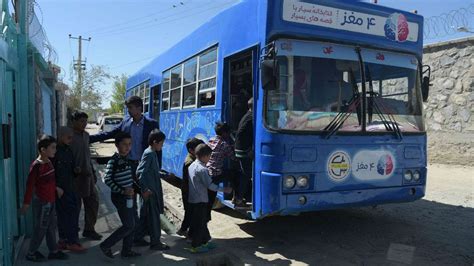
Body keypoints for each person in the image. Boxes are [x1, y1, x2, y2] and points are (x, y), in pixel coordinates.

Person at [20, 135, 69, 262]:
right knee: (41, 228)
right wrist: (26, 203)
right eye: (52, 148)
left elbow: (49, 182)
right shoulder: (37, 166)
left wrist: (56, 189)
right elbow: (30, 186)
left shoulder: (49, 162)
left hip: (51, 201)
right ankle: (31, 253)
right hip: (43, 203)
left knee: (51, 226)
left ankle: (53, 251)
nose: (55, 150)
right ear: (43, 149)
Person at [90, 96, 160, 173]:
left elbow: (157, 146)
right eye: (127, 108)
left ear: (139, 108)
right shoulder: (125, 122)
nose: (128, 110)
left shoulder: (152, 124)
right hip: (127, 165)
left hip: (144, 166)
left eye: (130, 107)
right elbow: (109, 134)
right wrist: (88, 138)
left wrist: (158, 167)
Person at [100, 132, 141, 259]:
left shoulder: (127, 160)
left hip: (130, 196)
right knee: (129, 225)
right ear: (117, 145)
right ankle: (106, 245)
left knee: (133, 223)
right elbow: (107, 179)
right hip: (121, 197)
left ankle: (127, 250)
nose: (127, 147)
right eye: (124, 144)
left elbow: (130, 179)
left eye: (129, 144)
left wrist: (136, 189)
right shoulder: (114, 161)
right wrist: (122, 191)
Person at [187, 144, 232, 253]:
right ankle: (196, 246)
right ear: (204, 156)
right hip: (201, 200)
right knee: (200, 223)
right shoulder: (202, 169)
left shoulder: (192, 165)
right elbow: (210, 185)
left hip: (193, 199)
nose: (210, 159)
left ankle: (206, 241)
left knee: (201, 221)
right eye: (209, 156)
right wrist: (224, 190)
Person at [134, 129, 170, 251]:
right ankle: (155, 243)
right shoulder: (149, 153)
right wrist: (145, 190)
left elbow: (150, 171)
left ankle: (138, 238)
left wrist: (162, 174)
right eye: (161, 143)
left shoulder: (152, 152)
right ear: (155, 142)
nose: (162, 145)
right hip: (150, 192)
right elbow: (140, 172)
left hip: (150, 191)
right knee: (154, 218)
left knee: (144, 216)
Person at [70, 111, 102, 240]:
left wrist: (93, 172)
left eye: (85, 121)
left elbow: (88, 156)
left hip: (88, 176)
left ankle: (89, 229)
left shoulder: (86, 136)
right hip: (74, 177)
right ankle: (72, 232)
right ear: (73, 121)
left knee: (93, 202)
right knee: (75, 206)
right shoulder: (68, 136)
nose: (84, 124)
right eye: (81, 121)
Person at [54, 127, 86, 252]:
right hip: (61, 190)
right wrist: (56, 187)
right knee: (67, 217)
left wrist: (76, 171)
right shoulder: (55, 151)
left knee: (71, 215)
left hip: (71, 188)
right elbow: (50, 172)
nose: (71, 140)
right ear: (61, 136)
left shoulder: (68, 150)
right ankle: (72, 242)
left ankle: (64, 240)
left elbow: (72, 169)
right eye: (69, 137)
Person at [206, 122, 236, 220]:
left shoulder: (210, 139)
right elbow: (234, 158)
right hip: (216, 173)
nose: (228, 135)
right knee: (235, 175)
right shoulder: (224, 144)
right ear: (224, 133)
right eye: (228, 133)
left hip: (207, 171)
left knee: (209, 196)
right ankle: (236, 197)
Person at [177, 138, 205, 237]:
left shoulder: (192, 159)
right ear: (191, 150)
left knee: (189, 213)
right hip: (189, 193)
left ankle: (183, 230)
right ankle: (191, 235)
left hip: (189, 192)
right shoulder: (190, 163)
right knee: (192, 213)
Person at [234, 98, 253, 208]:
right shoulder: (251, 117)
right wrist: (248, 150)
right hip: (243, 151)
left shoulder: (247, 115)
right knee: (246, 175)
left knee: (245, 174)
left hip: (241, 150)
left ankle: (240, 197)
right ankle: (239, 200)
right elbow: (242, 134)